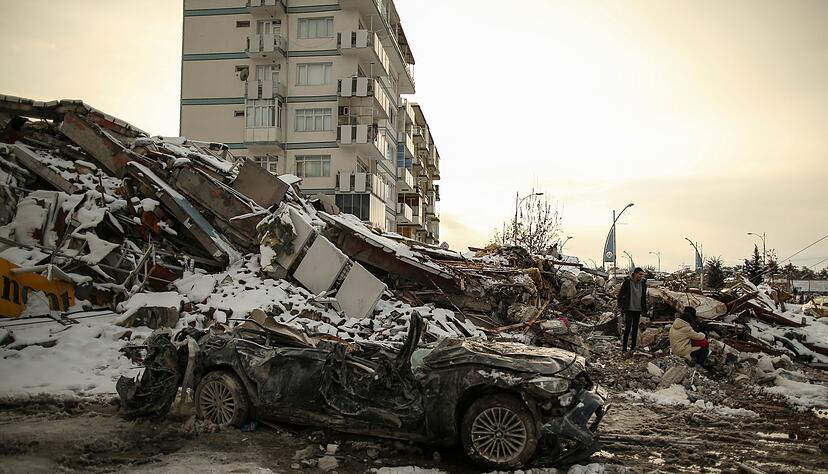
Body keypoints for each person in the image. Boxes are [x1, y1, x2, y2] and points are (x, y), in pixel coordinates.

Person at [617, 267, 648, 354]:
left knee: (635, 328)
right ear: (635, 274)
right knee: (628, 327)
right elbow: (620, 294)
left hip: (637, 309)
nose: (641, 277)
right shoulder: (627, 282)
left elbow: (644, 298)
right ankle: (624, 348)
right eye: (640, 274)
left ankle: (633, 347)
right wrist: (620, 306)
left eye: (642, 275)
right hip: (629, 308)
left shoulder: (643, 284)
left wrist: (644, 310)